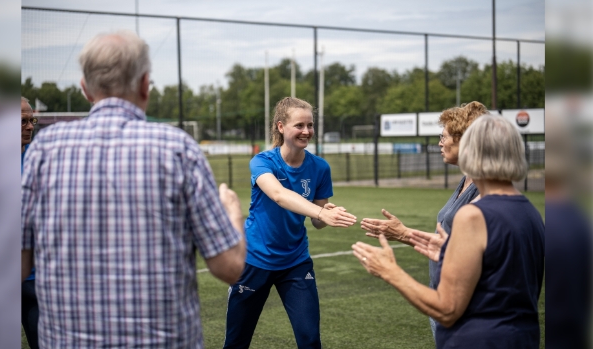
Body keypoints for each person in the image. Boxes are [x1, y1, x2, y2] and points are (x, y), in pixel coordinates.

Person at [21, 30, 246, 348]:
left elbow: (15, 266)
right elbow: (231, 268)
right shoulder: (177, 148)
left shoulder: (43, 151)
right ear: (144, 84)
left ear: (85, 89)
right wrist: (233, 213)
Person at [352, 114, 545, 348]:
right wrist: (450, 252)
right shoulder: (532, 213)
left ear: (472, 151)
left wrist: (389, 271)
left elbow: (447, 309)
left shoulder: (473, 215)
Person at [223, 97, 357, 349]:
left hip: (295, 263)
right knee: (236, 342)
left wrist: (326, 212)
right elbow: (279, 195)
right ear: (281, 126)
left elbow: (317, 221)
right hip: (254, 260)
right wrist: (319, 213)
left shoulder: (320, 167)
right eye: (299, 125)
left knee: (309, 340)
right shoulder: (262, 161)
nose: (306, 131)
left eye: (310, 125)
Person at [359, 101, 488, 337]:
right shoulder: (468, 179)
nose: (440, 142)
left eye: (444, 136)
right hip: (445, 295)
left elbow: (470, 254)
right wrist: (403, 233)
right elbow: (451, 243)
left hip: (463, 306)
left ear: (464, 140)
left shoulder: (483, 189)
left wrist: (401, 242)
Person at [21, 96, 39, 349]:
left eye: (32, 120)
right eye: (23, 121)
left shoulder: (38, 162)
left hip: (36, 281)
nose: (30, 126)